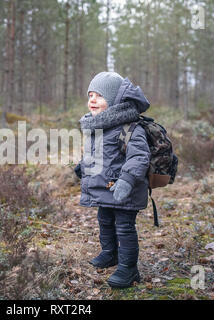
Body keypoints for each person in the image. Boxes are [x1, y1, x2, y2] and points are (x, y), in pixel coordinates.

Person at [75, 71, 151, 288]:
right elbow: (97, 153)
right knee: (104, 220)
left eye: (99, 95)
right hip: (104, 188)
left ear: (115, 100)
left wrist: (126, 181)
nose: (92, 100)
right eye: (90, 95)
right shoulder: (96, 125)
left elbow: (139, 157)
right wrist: (83, 166)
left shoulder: (130, 127)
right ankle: (110, 253)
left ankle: (129, 269)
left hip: (125, 189)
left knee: (124, 227)